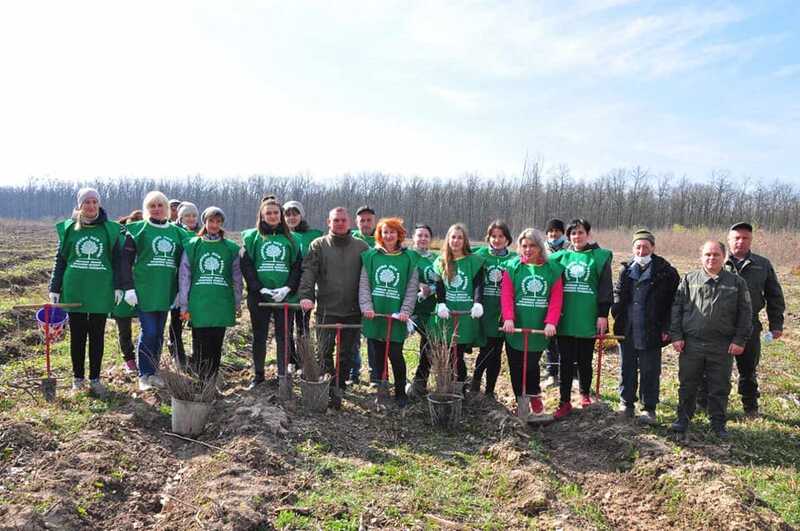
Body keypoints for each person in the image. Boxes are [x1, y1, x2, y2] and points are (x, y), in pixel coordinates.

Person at [670, 241, 752, 439]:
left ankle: (718, 422)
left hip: (722, 345)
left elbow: (745, 313)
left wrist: (740, 340)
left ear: (724, 257)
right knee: (687, 384)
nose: (711, 258)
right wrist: (677, 336)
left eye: (716, 254)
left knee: (720, 385)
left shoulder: (736, 282)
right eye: (707, 254)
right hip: (692, 344)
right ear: (701, 257)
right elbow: (677, 309)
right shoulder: (690, 279)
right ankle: (683, 418)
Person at [48, 188, 124, 397]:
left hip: (101, 289)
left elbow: (118, 261)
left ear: (98, 204)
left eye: (94, 202)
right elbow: (61, 259)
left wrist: (119, 286)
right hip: (75, 289)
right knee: (78, 336)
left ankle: (96, 379)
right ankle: (78, 379)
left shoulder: (111, 229)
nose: (90, 206)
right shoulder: (70, 229)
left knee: (97, 335)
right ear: (80, 205)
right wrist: (54, 287)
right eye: (86, 202)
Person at [298, 207, 369, 408]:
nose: (339, 223)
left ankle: (340, 386)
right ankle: (328, 386)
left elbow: (369, 278)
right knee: (324, 351)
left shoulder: (361, 248)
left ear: (349, 222)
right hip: (327, 309)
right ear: (329, 222)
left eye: (343, 220)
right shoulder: (318, 245)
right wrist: (306, 296)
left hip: (353, 310)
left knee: (346, 353)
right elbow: (309, 272)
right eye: (335, 220)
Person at [120, 191, 187, 391]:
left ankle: (154, 370)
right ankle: (144, 374)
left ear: (167, 208)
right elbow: (125, 261)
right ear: (146, 209)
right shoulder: (138, 230)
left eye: (160, 205)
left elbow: (182, 265)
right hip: (145, 289)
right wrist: (128, 288)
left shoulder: (177, 233)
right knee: (148, 331)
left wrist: (178, 291)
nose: (156, 209)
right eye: (152, 206)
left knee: (158, 333)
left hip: (165, 290)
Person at [611, 230, 679, 424]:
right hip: (628, 328)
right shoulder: (626, 270)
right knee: (627, 367)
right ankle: (627, 403)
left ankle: (649, 408)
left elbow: (674, 302)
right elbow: (618, 292)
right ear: (633, 248)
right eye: (638, 247)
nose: (641, 250)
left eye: (645, 247)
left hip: (653, 329)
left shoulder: (667, 272)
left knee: (650, 369)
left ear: (653, 248)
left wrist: (667, 326)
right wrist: (617, 311)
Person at [549, 219, 613, 420]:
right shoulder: (560, 258)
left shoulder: (599, 258)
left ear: (588, 234)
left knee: (585, 360)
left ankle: (585, 394)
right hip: (565, 317)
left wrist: (603, 314)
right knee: (565, 361)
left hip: (588, 316)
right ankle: (564, 401)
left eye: (580, 232)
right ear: (568, 237)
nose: (577, 236)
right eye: (573, 233)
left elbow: (605, 288)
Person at [719, 222, 784, 418]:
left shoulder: (762, 265)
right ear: (729, 240)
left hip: (749, 325)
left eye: (745, 238)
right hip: (720, 325)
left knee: (748, 368)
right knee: (714, 367)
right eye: (736, 238)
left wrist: (776, 325)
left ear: (751, 240)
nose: (740, 241)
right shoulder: (717, 261)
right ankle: (707, 403)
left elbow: (774, 296)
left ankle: (750, 407)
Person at [240, 197, 302, 388]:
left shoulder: (292, 239)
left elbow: (297, 267)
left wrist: (287, 288)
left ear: (281, 215)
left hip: (285, 297)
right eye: (269, 213)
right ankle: (258, 376)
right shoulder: (252, 237)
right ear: (262, 215)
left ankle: (283, 375)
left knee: (284, 335)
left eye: (276, 212)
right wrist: (260, 288)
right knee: (260, 335)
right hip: (259, 296)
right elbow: (247, 265)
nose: (273, 216)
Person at [501, 228, 564, 416]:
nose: (527, 250)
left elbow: (556, 298)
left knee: (531, 365)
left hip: (538, 326)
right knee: (516, 364)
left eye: (532, 246)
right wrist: (509, 318)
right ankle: (521, 401)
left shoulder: (551, 270)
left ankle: (534, 393)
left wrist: (551, 322)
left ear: (540, 247)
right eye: (524, 246)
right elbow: (506, 296)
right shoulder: (513, 267)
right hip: (516, 326)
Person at [359, 218, 419, 407]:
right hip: (376, 315)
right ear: (380, 234)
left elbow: (411, 288)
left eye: (392, 232)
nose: (389, 235)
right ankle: (381, 389)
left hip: (396, 317)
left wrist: (406, 311)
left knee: (395, 354)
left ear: (399, 234)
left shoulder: (409, 258)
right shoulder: (371, 256)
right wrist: (366, 307)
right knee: (377, 355)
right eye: (385, 232)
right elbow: (364, 284)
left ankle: (400, 391)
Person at [179, 207, 243, 379]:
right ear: (205, 222)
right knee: (200, 345)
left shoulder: (231, 248)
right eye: (211, 221)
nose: (214, 225)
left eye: (218, 221)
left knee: (216, 344)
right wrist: (184, 304)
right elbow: (185, 276)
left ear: (222, 223)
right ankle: (201, 382)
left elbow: (237, 278)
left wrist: (237, 302)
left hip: (221, 302)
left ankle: (212, 382)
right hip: (199, 303)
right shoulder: (192, 245)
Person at [430, 223, 485, 393]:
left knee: (458, 353)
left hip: (465, 313)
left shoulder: (473, 261)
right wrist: (440, 303)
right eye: (453, 237)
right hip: (446, 313)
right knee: (446, 351)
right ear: (448, 239)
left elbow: (478, 284)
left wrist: (477, 302)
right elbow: (439, 285)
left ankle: (459, 388)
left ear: (465, 240)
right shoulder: (441, 261)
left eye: (460, 237)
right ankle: (445, 385)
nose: (456, 240)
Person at [472, 220, 517, 398]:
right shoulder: (480, 255)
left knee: (496, 351)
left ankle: (490, 390)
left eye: (501, 236)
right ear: (488, 238)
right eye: (494, 236)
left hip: (503, 312)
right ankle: (475, 382)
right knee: (485, 348)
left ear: (507, 239)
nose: (497, 240)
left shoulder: (514, 259)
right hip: (483, 310)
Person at [283, 199, 324, 369]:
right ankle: (290, 359)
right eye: (288, 214)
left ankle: (304, 358)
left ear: (301, 215)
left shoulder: (314, 235)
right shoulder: (280, 236)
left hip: (306, 287)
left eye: (295, 214)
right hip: (285, 286)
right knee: (285, 325)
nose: (292, 218)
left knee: (302, 325)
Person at [407, 224, 439, 398]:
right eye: (419, 235)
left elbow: (440, 282)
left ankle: (419, 384)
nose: (423, 238)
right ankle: (397, 380)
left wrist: (430, 290)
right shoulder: (407, 256)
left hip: (429, 310)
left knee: (428, 347)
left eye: (426, 235)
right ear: (414, 237)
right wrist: (417, 285)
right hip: (408, 309)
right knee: (396, 345)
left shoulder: (435, 259)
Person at [168, 201, 201, 368]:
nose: (191, 218)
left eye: (194, 215)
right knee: (177, 319)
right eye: (187, 215)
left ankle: (197, 356)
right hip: (177, 284)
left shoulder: (201, 234)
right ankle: (177, 353)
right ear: (180, 217)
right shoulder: (174, 233)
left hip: (196, 284)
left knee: (195, 320)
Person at [111, 210, 143, 374]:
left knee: (146, 325)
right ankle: (129, 359)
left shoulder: (144, 236)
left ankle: (144, 357)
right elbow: (115, 263)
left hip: (141, 285)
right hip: (122, 287)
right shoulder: (119, 236)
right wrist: (117, 286)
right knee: (124, 326)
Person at [350, 205, 377, 384]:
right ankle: (354, 372)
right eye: (362, 220)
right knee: (352, 335)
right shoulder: (350, 238)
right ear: (356, 222)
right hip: (351, 293)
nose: (365, 223)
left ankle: (376, 374)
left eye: (369, 220)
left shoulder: (381, 238)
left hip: (375, 295)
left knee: (374, 336)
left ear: (374, 221)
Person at [543, 218, 567, 388]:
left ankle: (570, 372)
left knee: (564, 338)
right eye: (550, 231)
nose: (553, 234)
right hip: (545, 297)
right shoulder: (542, 249)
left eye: (557, 231)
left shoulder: (569, 249)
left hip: (565, 297)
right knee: (549, 338)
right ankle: (552, 371)